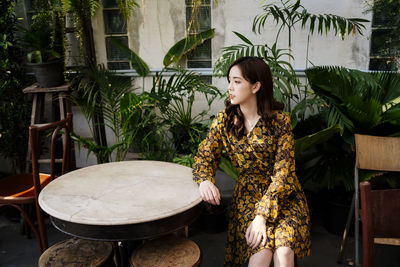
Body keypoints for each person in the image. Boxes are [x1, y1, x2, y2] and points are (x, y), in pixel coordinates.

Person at [192, 56, 311, 267]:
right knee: (262, 251)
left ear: (256, 86)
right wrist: (205, 180)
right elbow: (205, 156)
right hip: (247, 197)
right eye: (230, 80)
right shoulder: (225, 121)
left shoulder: (279, 122)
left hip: (283, 197)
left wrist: (262, 216)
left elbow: (284, 174)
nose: (230, 87)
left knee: (283, 253)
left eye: (237, 82)